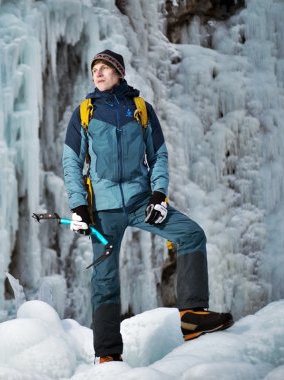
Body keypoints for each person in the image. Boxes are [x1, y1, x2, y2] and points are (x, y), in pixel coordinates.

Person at [62, 49, 233, 363]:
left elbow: (159, 156)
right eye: (94, 69)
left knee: (191, 234)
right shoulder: (84, 113)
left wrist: (159, 194)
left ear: (119, 73)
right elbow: (71, 162)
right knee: (105, 278)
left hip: (142, 201)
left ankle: (193, 315)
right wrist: (79, 205)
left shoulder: (141, 109)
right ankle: (108, 355)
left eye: (104, 68)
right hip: (104, 209)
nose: (97, 73)